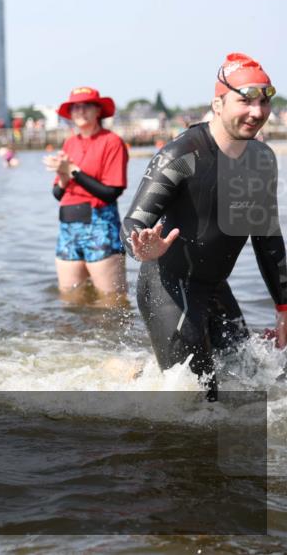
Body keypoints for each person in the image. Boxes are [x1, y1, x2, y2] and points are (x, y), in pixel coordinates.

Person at [122, 53, 286, 400]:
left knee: (256, 380)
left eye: (263, 102)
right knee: (201, 402)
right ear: (218, 103)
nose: (257, 112)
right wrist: (140, 245)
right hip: (168, 287)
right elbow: (134, 221)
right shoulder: (182, 155)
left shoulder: (262, 160)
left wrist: (284, 307)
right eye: (245, 101)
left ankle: (143, 374)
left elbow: (268, 239)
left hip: (215, 288)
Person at [43, 87, 128, 298]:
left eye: (86, 106)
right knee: (69, 297)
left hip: (100, 225)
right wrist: (63, 175)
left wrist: (73, 170)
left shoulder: (112, 141)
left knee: (111, 299)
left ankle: (106, 333)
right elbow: (57, 194)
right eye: (75, 108)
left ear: (98, 110)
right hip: (68, 226)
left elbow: (111, 193)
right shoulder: (70, 142)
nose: (80, 112)